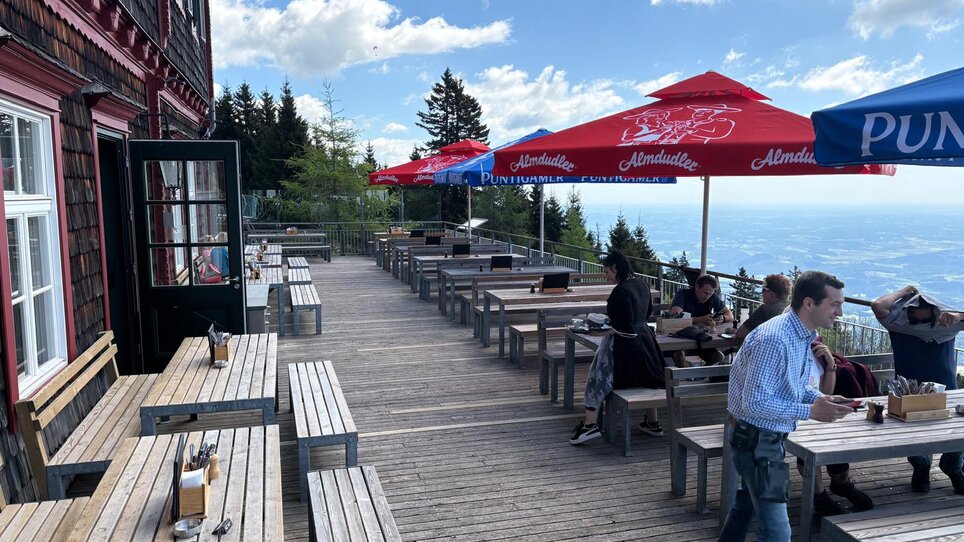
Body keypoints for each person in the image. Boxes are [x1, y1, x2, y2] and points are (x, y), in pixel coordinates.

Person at [719, 271, 854, 542]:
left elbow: (792, 385)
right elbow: (755, 403)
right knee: (778, 532)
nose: (839, 312)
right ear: (809, 303)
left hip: (761, 441)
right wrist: (812, 411)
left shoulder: (799, 334)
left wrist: (819, 399)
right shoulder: (775, 339)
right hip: (757, 443)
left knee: (745, 507)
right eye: (835, 304)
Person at [872, 285, 964, 494]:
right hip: (909, 391)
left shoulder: (947, 323)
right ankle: (922, 468)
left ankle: (953, 467)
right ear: (907, 313)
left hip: (946, 390)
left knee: (959, 430)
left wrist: (957, 316)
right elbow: (877, 305)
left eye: (925, 319)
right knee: (912, 433)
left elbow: (879, 306)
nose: (920, 323)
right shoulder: (897, 322)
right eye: (916, 318)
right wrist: (906, 292)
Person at [570, 250, 666, 444]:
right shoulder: (642, 284)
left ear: (615, 268)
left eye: (607, 272)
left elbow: (620, 326)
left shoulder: (620, 291)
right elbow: (646, 314)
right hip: (646, 341)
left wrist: (595, 331)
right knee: (647, 380)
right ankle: (653, 422)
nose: (607, 276)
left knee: (597, 378)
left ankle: (589, 425)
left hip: (624, 346)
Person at [798, 338, 874, 515]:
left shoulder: (815, 353)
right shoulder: (790, 352)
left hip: (817, 410)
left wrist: (830, 364)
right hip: (795, 413)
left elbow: (825, 393)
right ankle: (820, 496)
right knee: (809, 442)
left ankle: (841, 484)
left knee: (837, 435)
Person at [670, 274, 732, 366]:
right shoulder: (682, 294)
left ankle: (701, 377)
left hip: (701, 339)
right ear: (696, 287)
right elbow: (676, 316)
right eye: (705, 293)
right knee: (679, 355)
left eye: (710, 294)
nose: (707, 296)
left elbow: (729, 314)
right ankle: (681, 378)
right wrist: (701, 319)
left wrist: (722, 318)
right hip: (681, 337)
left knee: (719, 357)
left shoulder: (712, 296)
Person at [734, 274, 792, 340]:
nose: (762, 293)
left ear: (772, 294)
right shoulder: (792, 308)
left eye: (763, 289)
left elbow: (740, 334)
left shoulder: (765, 310)